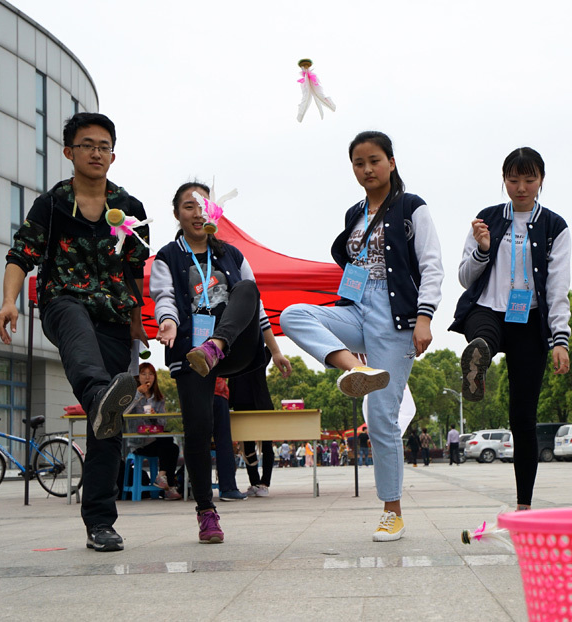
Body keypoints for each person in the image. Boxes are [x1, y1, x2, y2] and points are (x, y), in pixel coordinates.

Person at [0, 113, 148, 552]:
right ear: (69, 152)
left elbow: (133, 270)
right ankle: (102, 394)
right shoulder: (52, 203)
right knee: (83, 343)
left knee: (107, 422)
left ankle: (101, 523)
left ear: (113, 154)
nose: (97, 152)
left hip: (115, 318)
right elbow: (20, 254)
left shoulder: (131, 207)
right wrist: (10, 301)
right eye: (87, 144)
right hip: (63, 302)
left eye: (104, 145)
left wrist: (137, 323)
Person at [280, 130, 444, 542]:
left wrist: (424, 317)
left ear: (391, 161)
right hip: (355, 308)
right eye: (358, 163)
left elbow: (432, 265)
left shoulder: (411, 207)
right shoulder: (354, 212)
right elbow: (353, 266)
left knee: (381, 420)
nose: (367, 169)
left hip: (396, 317)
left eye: (374, 160)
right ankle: (353, 367)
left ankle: (393, 512)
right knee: (293, 314)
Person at [151, 181, 292, 544]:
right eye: (188, 207)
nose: (197, 213)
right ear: (177, 214)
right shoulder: (169, 256)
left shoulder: (232, 255)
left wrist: (275, 351)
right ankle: (206, 513)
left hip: (231, 348)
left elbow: (254, 305)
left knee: (247, 288)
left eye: (203, 206)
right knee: (198, 431)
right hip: (189, 350)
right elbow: (164, 296)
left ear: (214, 211)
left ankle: (216, 343)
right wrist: (166, 321)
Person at [450, 147, 571, 511]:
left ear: (541, 181)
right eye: (513, 179)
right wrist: (483, 249)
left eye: (529, 179)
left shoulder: (554, 226)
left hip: (530, 320)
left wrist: (559, 339)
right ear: (503, 180)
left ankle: (524, 505)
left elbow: (557, 287)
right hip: (486, 308)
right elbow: (464, 278)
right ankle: (478, 361)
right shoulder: (485, 220)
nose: (521, 187)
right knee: (483, 336)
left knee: (523, 417)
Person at [128, 362, 181, 500]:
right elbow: (125, 412)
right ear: (138, 377)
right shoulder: (132, 395)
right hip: (139, 442)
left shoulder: (159, 398)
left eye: (151, 374)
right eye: (143, 374)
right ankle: (168, 487)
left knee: (173, 447)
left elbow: (163, 423)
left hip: (155, 441)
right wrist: (138, 394)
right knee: (167, 442)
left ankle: (162, 477)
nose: (147, 377)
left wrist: (154, 415)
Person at [229, 364, 278, 496]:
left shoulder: (259, 353)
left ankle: (265, 483)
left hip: (261, 404)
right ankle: (255, 482)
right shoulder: (232, 352)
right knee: (247, 447)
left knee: (267, 445)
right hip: (241, 404)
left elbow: (268, 351)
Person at [212, 377, 248, 501]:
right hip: (217, 390)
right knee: (223, 441)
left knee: (198, 441)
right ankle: (228, 488)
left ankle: (197, 489)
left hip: (192, 391)